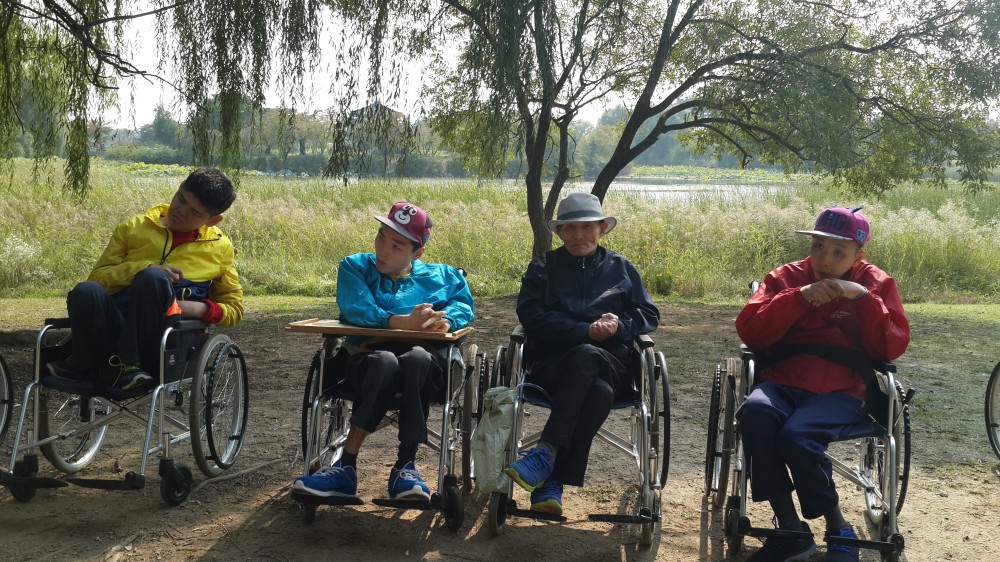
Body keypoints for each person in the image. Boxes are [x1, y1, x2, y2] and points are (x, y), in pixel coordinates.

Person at [734, 206, 910, 562]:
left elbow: (891, 346)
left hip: (842, 387)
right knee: (754, 412)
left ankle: (838, 527)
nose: (825, 260)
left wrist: (861, 297)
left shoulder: (876, 283)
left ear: (858, 256)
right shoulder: (785, 277)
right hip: (782, 378)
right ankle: (790, 530)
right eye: (818, 247)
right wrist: (799, 296)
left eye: (838, 253)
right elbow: (751, 331)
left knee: (797, 436)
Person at [292, 201, 474, 501]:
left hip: (424, 365)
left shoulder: (444, 276)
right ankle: (345, 466)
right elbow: (356, 308)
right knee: (385, 361)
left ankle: (406, 466)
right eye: (381, 236)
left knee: (417, 358)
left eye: (396, 245)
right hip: (365, 360)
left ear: (417, 252)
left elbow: (463, 307)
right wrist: (399, 322)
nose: (383, 250)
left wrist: (446, 321)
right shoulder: (355, 267)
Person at [502, 192, 660, 515]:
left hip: (614, 365)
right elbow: (531, 316)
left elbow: (648, 314)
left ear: (602, 229)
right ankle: (552, 480)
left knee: (590, 358)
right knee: (598, 391)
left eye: (587, 227)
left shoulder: (621, 268)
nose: (579, 235)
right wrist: (584, 331)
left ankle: (546, 454)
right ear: (560, 232)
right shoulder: (543, 268)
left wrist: (618, 326)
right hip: (553, 367)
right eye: (571, 228)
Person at [46, 167, 243, 391]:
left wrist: (191, 308)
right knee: (85, 291)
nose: (180, 211)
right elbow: (98, 280)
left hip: (162, 343)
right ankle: (86, 363)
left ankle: (130, 364)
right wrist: (142, 267)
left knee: (153, 279)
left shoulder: (220, 247)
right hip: (111, 330)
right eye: (180, 199)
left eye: (195, 212)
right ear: (179, 188)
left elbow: (234, 310)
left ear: (213, 220)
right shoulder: (132, 229)